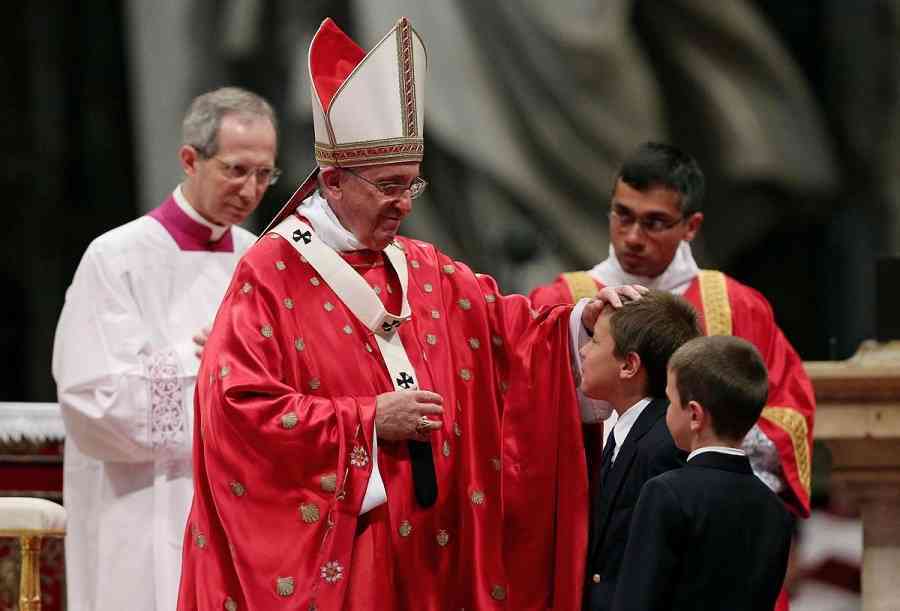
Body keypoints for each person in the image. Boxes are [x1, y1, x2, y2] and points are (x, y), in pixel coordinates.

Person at [175, 17, 637, 611]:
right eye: (389, 186)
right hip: (350, 551)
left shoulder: (424, 266)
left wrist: (584, 323)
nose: (402, 205)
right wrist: (367, 419)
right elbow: (236, 408)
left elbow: (510, 335)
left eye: (412, 187)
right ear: (335, 180)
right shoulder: (271, 272)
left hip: (439, 556)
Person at [52, 86, 279, 611]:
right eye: (236, 170)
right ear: (189, 160)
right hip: (145, 509)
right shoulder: (115, 258)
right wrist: (201, 363)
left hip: (245, 510)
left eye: (265, 174)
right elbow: (93, 399)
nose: (250, 191)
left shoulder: (261, 262)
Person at [530, 142, 815, 524]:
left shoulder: (737, 307)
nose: (632, 236)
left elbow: (788, 413)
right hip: (592, 517)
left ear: (691, 226)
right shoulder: (562, 303)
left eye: (654, 222)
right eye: (622, 215)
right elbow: (522, 408)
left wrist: (704, 446)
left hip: (706, 520)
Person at [612, 336, 794, 611]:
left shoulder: (666, 493)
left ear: (695, 415)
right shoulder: (775, 509)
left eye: (671, 402)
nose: (666, 414)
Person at [579, 290, 701, 611]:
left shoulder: (664, 444)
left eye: (594, 342)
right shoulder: (628, 433)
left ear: (629, 365)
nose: (582, 350)